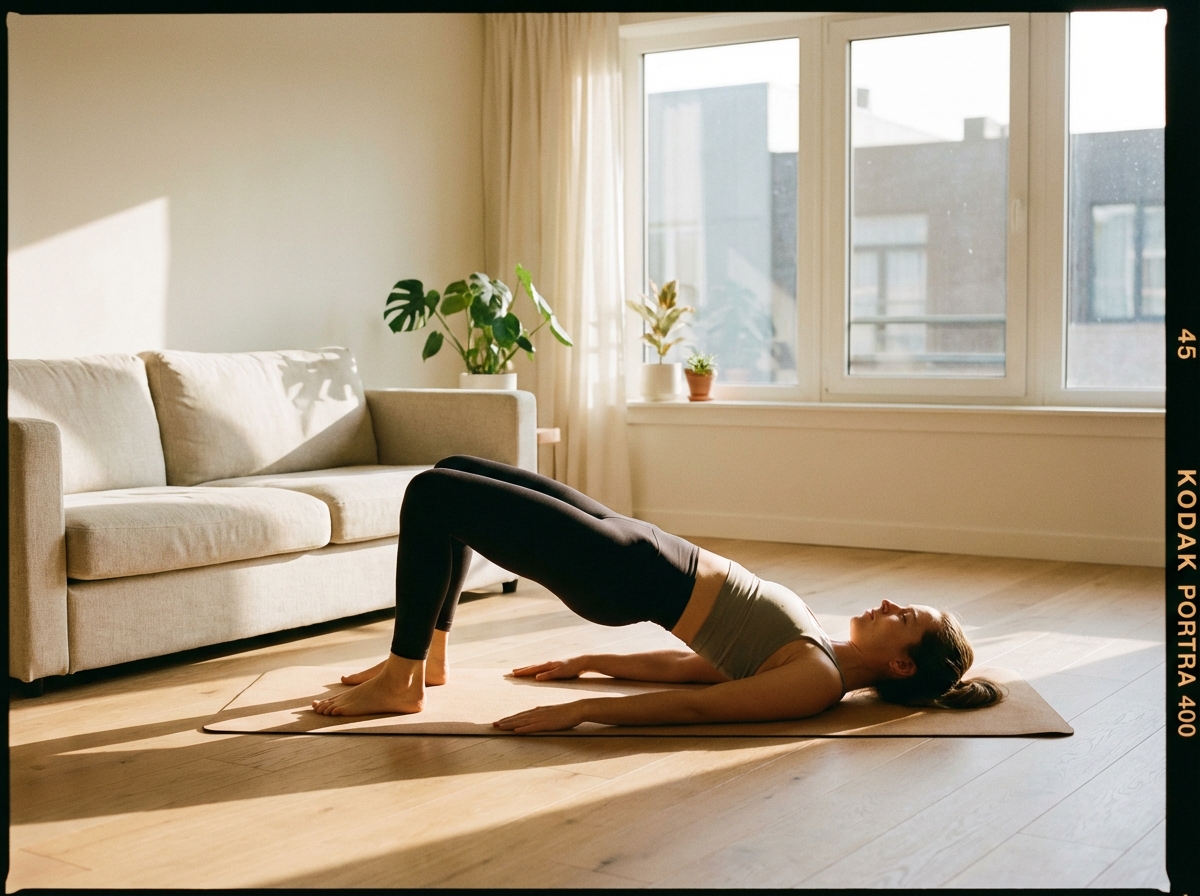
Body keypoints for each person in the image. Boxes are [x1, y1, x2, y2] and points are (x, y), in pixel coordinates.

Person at [312, 455, 1003, 731]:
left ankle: (402, 679)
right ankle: (428, 657)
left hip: (619, 571)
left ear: (902, 664)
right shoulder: (817, 649)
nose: (888, 605)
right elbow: (701, 663)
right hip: (633, 540)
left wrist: (582, 711)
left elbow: (698, 706)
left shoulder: (816, 682)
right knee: (453, 471)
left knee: (432, 496)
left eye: (904, 617)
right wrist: (594, 664)